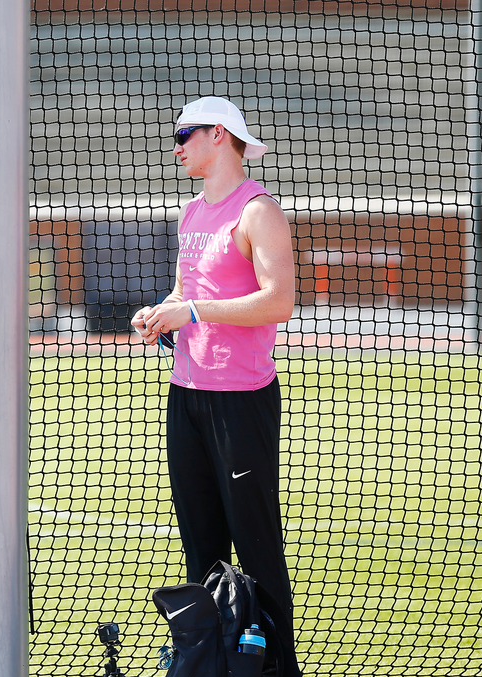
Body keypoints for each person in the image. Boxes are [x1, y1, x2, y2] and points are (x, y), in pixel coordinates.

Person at [131, 96, 300, 648]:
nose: (176, 146)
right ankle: (210, 672)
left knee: (256, 546)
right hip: (187, 393)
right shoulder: (192, 211)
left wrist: (194, 311)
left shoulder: (259, 210)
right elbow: (186, 292)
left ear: (219, 135)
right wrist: (160, 314)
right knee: (200, 547)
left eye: (184, 134)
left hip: (240, 399)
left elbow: (278, 301)